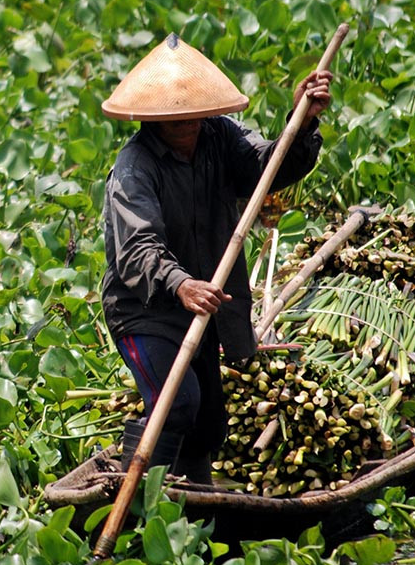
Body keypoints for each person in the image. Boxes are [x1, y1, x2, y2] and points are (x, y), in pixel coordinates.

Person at [100, 33, 332, 484]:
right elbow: (138, 250)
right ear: (153, 119)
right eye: (176, 119)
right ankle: (135, 497)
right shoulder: (135, 167)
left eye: (194, 115)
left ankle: (194, 509)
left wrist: (302, 123)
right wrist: (181, 283)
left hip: (202, 302)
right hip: (145, 311)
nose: (188, 124)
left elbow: (267, 169)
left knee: (208, 423)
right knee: (178, 402)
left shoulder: (220, 136)